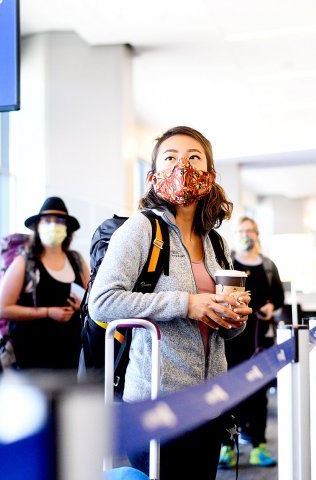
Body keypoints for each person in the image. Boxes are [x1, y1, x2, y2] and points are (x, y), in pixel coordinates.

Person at [88, 126, 252, 480]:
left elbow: (219, 332)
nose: (182, 166)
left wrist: (233, 319)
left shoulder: (215, 243)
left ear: (208, 175)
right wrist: (186, 304)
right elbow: (101, 302)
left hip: (208, 403)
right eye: (170, 158)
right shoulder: (140, 229)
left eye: (194, 157)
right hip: (156, 407)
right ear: (153, 175)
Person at [218, 216, 284, 469]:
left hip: (260, 340)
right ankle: (227, 447)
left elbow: (278, 298)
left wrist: (271, 307)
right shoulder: (227, 263)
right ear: (236, 235)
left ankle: (258, 446)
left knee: (259, 394)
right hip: (231, 340)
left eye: (250, 231)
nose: (246, 234)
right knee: (229, 393)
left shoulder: (268, 266)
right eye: (242, 231)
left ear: (257, 234)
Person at [0, 196, 90, 370]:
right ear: (37, 227)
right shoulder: (25, 262)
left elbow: (93, 301)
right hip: (32, 358)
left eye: (59, 221)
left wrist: (82, 307)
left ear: (67, 229)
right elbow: (2, 309)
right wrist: (47, 312)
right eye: (47, 221)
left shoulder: (76, 260)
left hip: (70, 357)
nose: (53, 226)